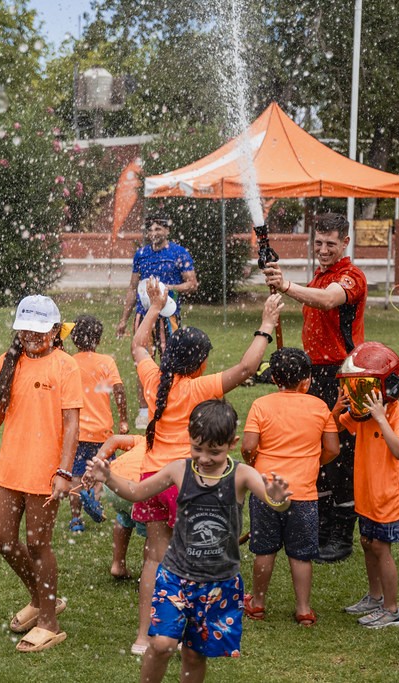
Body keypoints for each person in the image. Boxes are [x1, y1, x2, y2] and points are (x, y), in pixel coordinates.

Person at [125, 275, 282, 655]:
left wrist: (155, 309)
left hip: (151, 477)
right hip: (185, 481)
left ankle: (144, 637)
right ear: (201, 363)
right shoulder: (198, 388)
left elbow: (137, 346)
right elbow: (246, 369)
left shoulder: (154, 379)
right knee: (189, 562)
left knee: (154, 557)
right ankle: (188, 630)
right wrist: (265, 325)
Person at [85, 399, 292, 682]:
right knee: (161, 644)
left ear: (232, 443)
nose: (205, 458)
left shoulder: (242, 475)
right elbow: (136, 491)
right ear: (190, 440)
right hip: (175, 576)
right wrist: (108, 478)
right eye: (198, 449)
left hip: (219, 582)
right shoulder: (179, 470)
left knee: (194, 654)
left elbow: (273, 501)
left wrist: (278, 499)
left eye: (214, 452)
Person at [0, 294, 82, 653]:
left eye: (40, 331)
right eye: (26, 330)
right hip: (10, 467)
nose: (32, 337)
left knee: (39, 545)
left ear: (56, 331)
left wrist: (64, 471)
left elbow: (72, 424)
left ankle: (49, 622)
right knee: (1, 538)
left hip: (46, 473)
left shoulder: (65, 366)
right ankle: (41, 598)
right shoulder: (7, 362)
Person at [262, 212, 366, 563]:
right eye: (318, 243)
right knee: (317, 451)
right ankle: (319, 529)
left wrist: (287, 286)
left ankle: (341, 534)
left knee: (342, 453)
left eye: (330, 244)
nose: (323, 249)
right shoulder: (320, 275)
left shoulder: (352, 277)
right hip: (315, 374)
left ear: (345, 243)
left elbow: (327, 300)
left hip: (344, 376)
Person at [241, 347, 340, 626]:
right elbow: (332, 448)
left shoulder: (261, 405)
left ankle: (258, 603)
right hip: (304, 495)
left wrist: (255, 460)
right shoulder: (319, 407)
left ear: (274, 378)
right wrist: (314, 461)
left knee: (265, 550)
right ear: (307, 380)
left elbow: (248, 446)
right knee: (301, 554)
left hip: (266, 492)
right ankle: (304, 609)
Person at [334, 342, 399, 629]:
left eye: (362, 387)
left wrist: (380, 417)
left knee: (381, 547)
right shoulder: (362, 414)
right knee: (367, 543)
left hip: (390, 497)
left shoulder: (397, 413)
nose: (357, 394)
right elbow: (337, 426)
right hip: (367, 495)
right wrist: (338, 409)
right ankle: (375, 597)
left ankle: (392, 611)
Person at [116, 215, 198, 429]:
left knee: (172, 361)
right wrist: (124, 319)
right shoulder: (141, 254)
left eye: (159, 228)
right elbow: (133, 288)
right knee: (143, 361)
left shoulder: (179, 254)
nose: (154, 232)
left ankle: (171, 403)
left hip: (169, 316)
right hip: (143, 317)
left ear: (167, 231)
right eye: (151, 228)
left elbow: (192, 284)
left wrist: (169, 288)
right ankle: (144, 411)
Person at [68, 314, 128, 532]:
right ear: (99, 339)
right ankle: (94, 498)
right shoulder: (106, 362)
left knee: (75, 474)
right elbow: (119, 390)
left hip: (77, 432)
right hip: (103, 432)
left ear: (74, 340)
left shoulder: (70, 363)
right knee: (101, 471)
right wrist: (123, 419)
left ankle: (75, 519)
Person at [91, 433, 149, 580]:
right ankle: (148, 575)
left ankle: (118, 565)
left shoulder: (144, 440)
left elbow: (114, 439)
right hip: (137, 488)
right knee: (154, 529)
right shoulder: (173, 448)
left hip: (113, 484)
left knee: (124, 517)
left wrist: (95, 465)